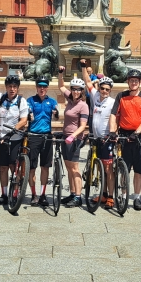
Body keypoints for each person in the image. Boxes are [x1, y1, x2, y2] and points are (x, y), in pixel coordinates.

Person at [0, 72, 29, 206]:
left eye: (15, 86)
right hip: (0, 138)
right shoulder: (0, 98)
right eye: (9, 86)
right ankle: (4, 194)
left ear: (18, 88)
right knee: (2, 167)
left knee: (13, 166)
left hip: (15, 138)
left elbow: (24, 120)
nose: (12, 89)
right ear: (6, 87)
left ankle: (15, 193)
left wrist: (13, 130)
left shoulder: (21, 101)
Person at [111, 69, 141, 211]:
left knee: (139, 169)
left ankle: (136, 197)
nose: (133, 82)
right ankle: (123, 195)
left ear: (139, 82)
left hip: (140, 136)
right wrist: (112, 131)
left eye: (136, 80)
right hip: (124, 135)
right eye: (131, 80)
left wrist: (137, 132)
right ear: (128, 81)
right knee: (124, 168)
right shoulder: (121, 96)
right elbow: (113, 114)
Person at [56, 71, 89, 208]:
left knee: (75, 168)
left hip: (75, 139)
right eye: (74, 89)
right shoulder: (69, 98)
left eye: (78, 90)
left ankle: (78, 197)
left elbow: (83, 126)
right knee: (69, 167)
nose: (76, 92)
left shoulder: (83, 106)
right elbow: (60, 86)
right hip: (66, 137)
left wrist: (73, 136)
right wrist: (60, 74)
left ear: (82, 91)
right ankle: (72, 193)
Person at [85, 69, 116, 209]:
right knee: (101, 167)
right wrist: (83, 67)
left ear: (110, 90)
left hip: (106, 138)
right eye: (102, 88)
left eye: (107, 90)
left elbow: (115, 119)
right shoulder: (95, 96)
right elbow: (87, 82)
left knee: (108, 168)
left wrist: (112, 133)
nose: (104, 91)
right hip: (96, 138)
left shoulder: (112, 102)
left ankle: (110, 196)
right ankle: (103, 194)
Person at [26, 76, 59, 207]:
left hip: (47, 136)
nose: (42, 88)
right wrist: (29, 114)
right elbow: (28, 111)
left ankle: (43, 194)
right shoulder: (30, 100)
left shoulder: (51, 101)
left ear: (47, 88)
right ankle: (34, 195)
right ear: (36, 87)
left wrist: (56, 113)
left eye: (44, 86)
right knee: (32, 167)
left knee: (45, 167)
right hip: (33, 136)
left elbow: (57, 115)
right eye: (40, 86)